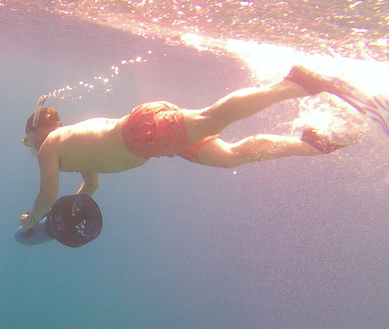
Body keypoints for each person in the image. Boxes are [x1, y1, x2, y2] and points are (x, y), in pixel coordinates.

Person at [19, 65, 376, 230]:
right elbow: (92, 185)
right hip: (151, 140)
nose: (31, 147)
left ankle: (293, 84)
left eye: (27, 140)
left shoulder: (50, 146)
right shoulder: (70, 145)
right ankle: (310, 144)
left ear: (38, 132)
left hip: (144, 135)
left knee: (212, 119)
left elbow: (47, 195)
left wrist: (33, 220)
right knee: (228, 156)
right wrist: (76, 205)